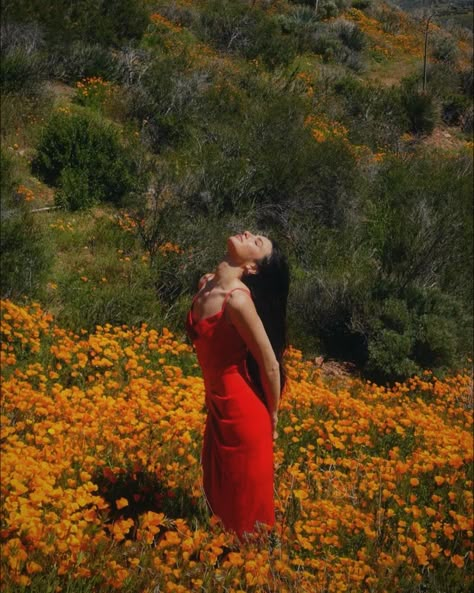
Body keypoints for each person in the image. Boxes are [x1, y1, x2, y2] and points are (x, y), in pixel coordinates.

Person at [186, 230, 290, 539]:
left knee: (245, 515)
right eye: (254, 234)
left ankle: (252, 576)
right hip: (218, 408)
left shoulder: (238, 301)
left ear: (253, 268)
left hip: (243, 415)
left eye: (257, 242)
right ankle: (227, 568)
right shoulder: (206, 283)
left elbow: (269, 364)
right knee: (219, 496)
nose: (249, 234)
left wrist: (273, 415)